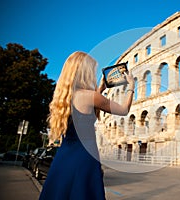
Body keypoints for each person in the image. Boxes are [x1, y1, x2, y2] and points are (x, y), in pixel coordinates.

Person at [39, 51, 135, 200]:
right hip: (84, 158)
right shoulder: (91, 96)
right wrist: (131, 87)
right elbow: (123, 110)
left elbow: (85, 112)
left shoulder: (63, 97)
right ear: (84, 72)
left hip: (64, 158)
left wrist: (100, 89)